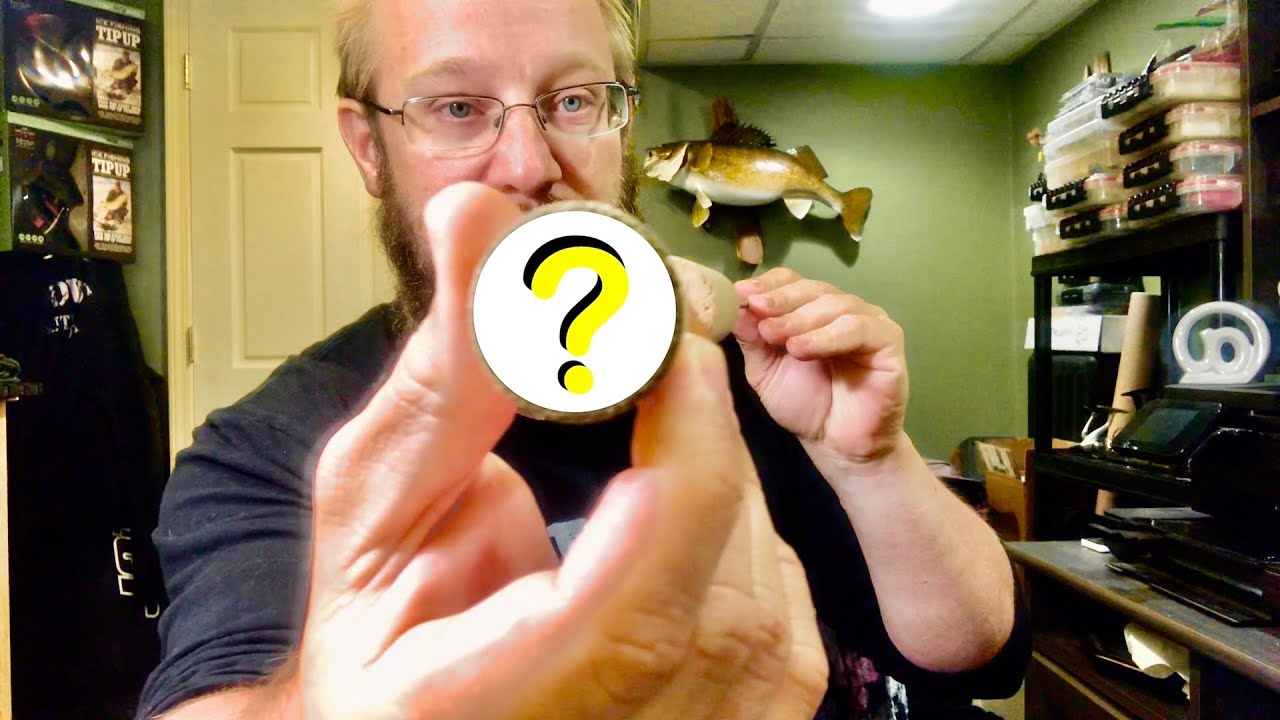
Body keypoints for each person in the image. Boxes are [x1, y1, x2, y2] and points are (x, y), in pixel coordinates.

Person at [136, 0, 1030, 718]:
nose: (529, 165)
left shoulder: (767, 382)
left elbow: (981, 653)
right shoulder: (268, 449)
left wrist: (870, 462)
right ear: (370, 147)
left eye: (573, 102)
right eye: (458, 108)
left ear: (621, 123)